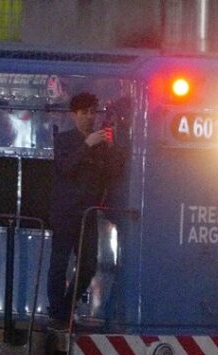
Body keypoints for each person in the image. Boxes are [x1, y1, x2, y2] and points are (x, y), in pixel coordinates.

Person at [47, 92, 126, 330]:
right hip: (65, 211)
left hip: (88, 213)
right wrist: (86, 145)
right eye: (84, 113)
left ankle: (64, 309)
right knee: (59, 264)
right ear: (74, 115)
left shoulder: (100, 143)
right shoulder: (64, 140)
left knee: (88, 265)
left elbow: (112, 173)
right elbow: (65, 168)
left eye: (92, 112)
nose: (89, 117)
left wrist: (111, 147)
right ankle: (58, 314)